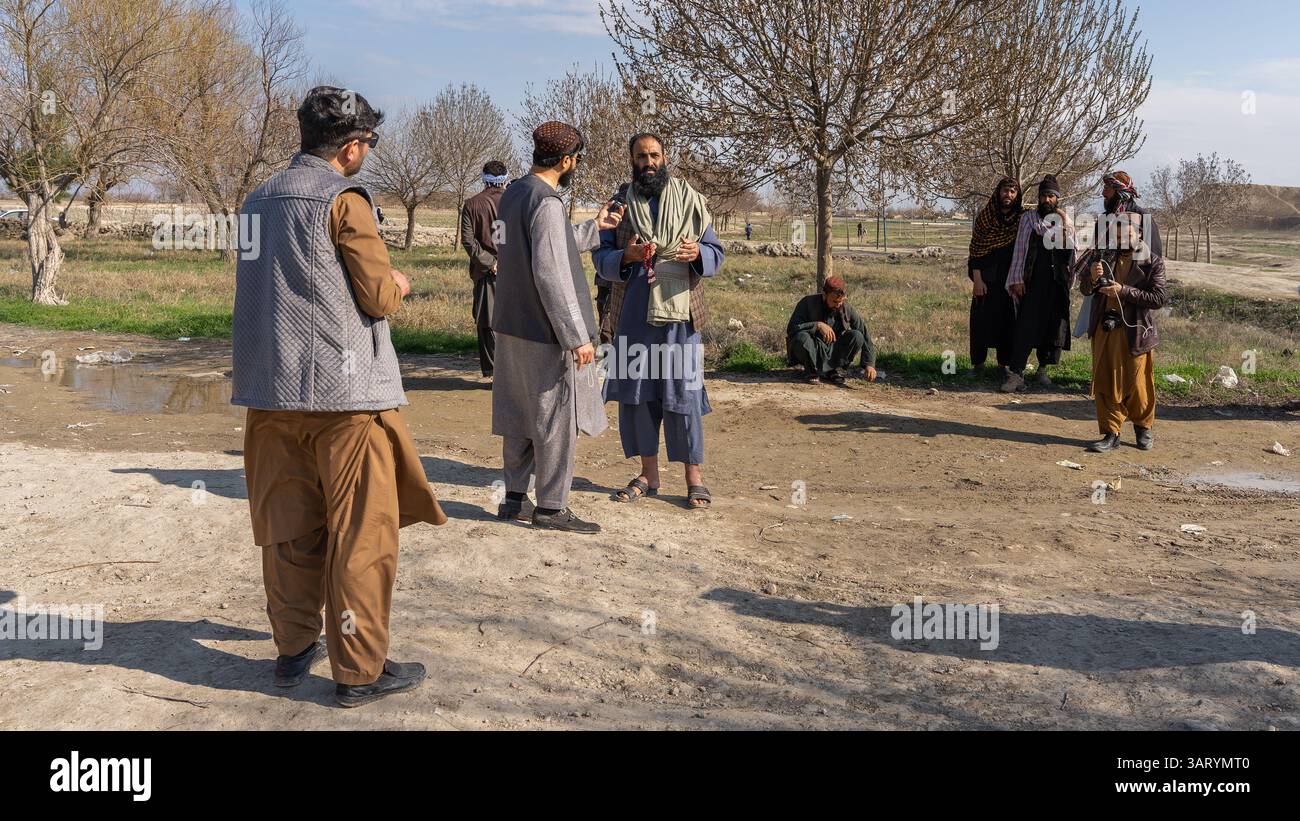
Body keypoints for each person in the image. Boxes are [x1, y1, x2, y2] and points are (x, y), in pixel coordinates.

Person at [232, 86, 447, 708]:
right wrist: (400, 282)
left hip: (270, 393)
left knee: (290, 528)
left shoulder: (255, 200)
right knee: (361, 534)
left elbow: (261, 287)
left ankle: (294, 649)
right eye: (369, 144)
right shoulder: (345, 200)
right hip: (345, 396)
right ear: (352, 147)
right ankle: (358, 672)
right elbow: (377, 297)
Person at [491, 121, 623, 533]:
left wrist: (592, 229)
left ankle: (514, 499)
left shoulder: (514, 193)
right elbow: (550, 272)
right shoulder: (546, 202)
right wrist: (576, 336)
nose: (576, 166)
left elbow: (541, 244)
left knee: (519, 415)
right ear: (566, 160)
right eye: (577, 160)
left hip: (510, 326)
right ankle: (551, 507)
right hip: (545, 334)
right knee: (554, 421)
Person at [594, 133, 724, 509]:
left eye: (654, 155)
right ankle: (648, 474)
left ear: (665, 158)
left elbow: (716, 252)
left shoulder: (690, 200)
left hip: (679, 318)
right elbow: (600, 258)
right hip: (632, 315)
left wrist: (698, 250)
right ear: (631, 160)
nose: (648, 162)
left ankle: (693, 477)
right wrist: (627, 256)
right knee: (637, 396)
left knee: (682, 393)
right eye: (640, 156)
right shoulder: (619, 205)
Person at [1080, 212, 1166, 452]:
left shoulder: (1152, 261)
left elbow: (1158, 298)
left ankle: (1143, 428)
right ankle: (1111, 433)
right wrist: (1091, 278)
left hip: (1135, 331)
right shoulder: (1103, 256)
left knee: (1137, 384)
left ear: (1138, 234)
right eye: (1117, 236)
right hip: (1105, 329)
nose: (1121, 241)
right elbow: (1085, 289)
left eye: (1127, 235)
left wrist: (1124, 290)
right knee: (1105, 380)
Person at [1001, 174, 1075, 392]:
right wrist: (1016, 278)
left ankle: (1042, 370)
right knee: (1025, 327)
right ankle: (1016, 374)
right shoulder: (1028, 219)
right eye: (1043, 196)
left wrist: (1065, 221)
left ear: (1057, 198)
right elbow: (1020, 251)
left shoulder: (1065, 222)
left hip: (1056, 284)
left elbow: (1073, 250)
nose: (1047, 200)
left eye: (1051, 196)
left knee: (1053, 328)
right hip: (1032, 283)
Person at [966, 177, 1022, 380]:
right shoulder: (985, 217)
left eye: (1013, 191)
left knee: (1007, 323)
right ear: (998, 193)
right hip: (986, 281)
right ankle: (978, 365)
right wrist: (978, 280)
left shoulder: (1021, 219)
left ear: (1017, 195)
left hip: (1010, 281)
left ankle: (1003, 366)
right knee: (980, 322)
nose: (1009, 195)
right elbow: (975, 251)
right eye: (1006, 190)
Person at [460, 160, 509, 378]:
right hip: (515, 272)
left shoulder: (472, 204)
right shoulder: (514, 201)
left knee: (488, 323)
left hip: (485, 272)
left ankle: (494, 373)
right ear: (505, 178)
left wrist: (490, 262)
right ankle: (511, 375)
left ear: (484, 178)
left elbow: (469, 241)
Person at [786, 275, 877, 385]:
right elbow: (792, 328)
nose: (838, 305)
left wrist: (869, 364)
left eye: (841, 302)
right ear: (824, 295)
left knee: (857, 336)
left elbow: (864, 334)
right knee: (802, 338)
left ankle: (832, 370)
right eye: (834, 301)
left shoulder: (846, 308)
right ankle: (811, 370)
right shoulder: (807, 303)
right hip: (812, 348)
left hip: (832, 349)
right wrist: (817, 325)